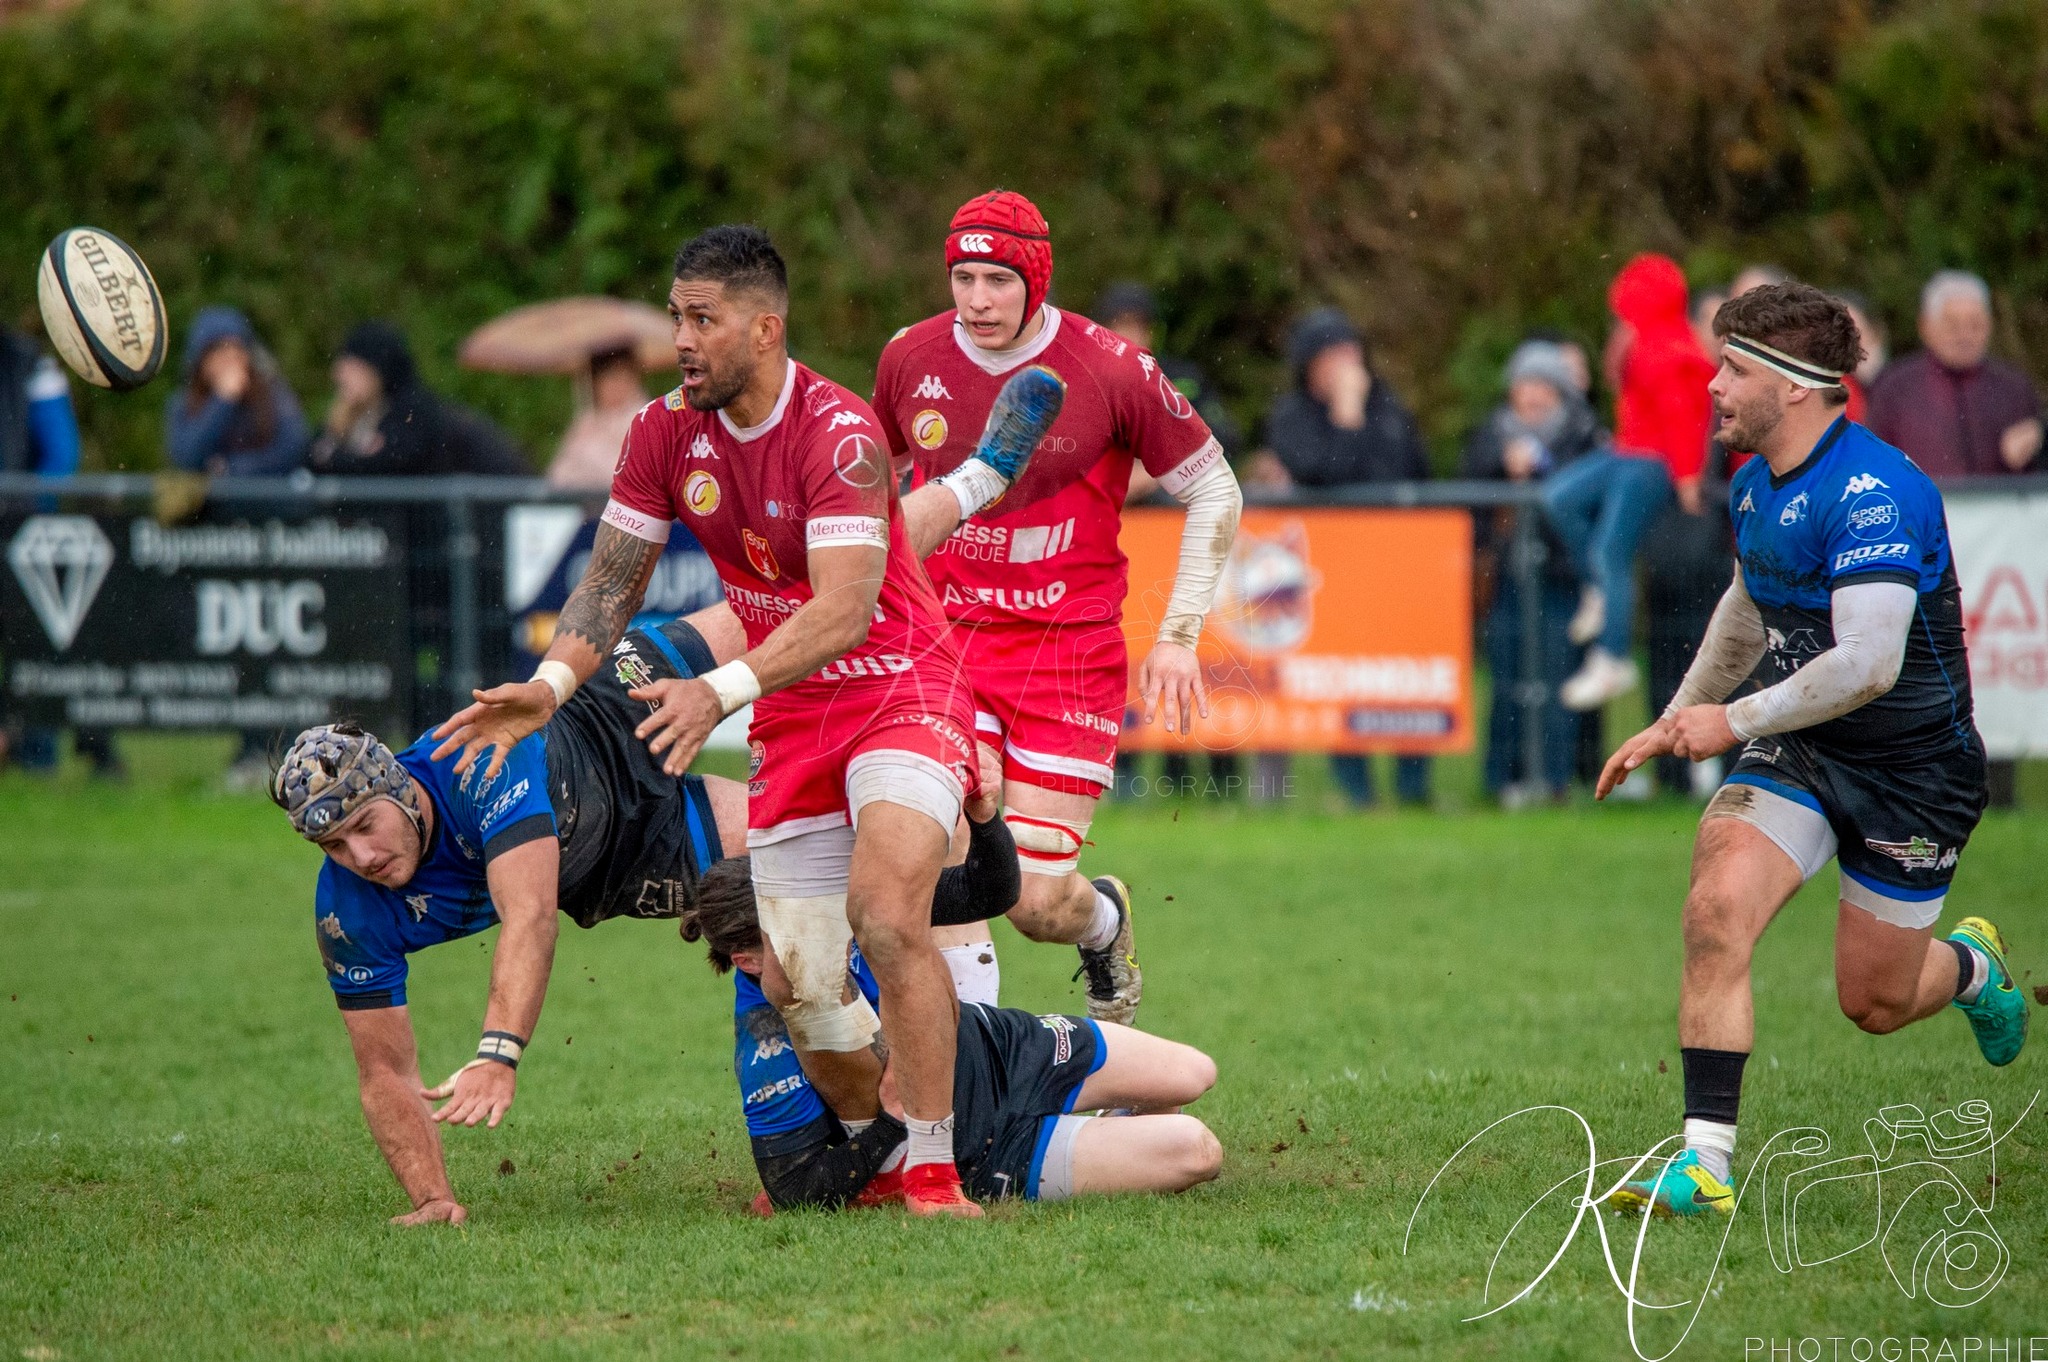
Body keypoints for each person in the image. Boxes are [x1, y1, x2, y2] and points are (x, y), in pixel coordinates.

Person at [433, 225, 989, 1217]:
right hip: (796, 714)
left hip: (901, 686)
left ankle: (941, 1169)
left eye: (702, 319)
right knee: (799, 980)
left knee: (887, 913)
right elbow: (607, 584)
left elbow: (845, 608)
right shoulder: (659, 435)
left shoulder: (842, 432)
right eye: (675, 317)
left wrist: (717, 690)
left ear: (763, 328)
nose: (681, 339)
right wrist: (552, 686)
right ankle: (889, 1148)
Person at [1596, 283, 2025, 1219]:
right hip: (1802, 752)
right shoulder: (1755, 482)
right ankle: (1705, 1167)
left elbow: (1869, 663)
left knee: (1871, 1003)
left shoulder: (1877, 494)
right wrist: (1679, 716)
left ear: (1796, 388)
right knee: (1715, 907)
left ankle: (1973, 970)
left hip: (1914, 772)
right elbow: (1750, 610)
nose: (1712, 386)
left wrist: (1733, 721)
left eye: (1734, 370)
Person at [869, 190, 1242, 1020]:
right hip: (946, 649)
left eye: (997, 280)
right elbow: (870, 491)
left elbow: (1216, 489)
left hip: (1065, 656)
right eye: (962, 277)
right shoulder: (911, 357)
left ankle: (1103, 922)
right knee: (936, 865)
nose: (976, 300)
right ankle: (960, 1087)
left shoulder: (1111, 367)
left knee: (1034, 904)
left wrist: (1179, 635)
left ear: (1035, 278)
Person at [269, 616, 746, 1226]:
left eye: (365, 826)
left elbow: (530, 918)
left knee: (769, 603)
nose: (360, 857)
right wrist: (432, 1198)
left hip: (602, 712)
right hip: (627, 858)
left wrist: (497, 1055)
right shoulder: (347, 910)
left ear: (401, 788)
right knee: (813, 864)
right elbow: (384, 1069)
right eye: (334, 846)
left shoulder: (477, 761)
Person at [681, 851, 1221, 1214]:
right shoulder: (766, 1039)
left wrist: (985, 820)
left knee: (1194, 1074)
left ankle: (1111, 1128)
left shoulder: (848, 906)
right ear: (749, 960)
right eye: (791, 930)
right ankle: (1088, 1142)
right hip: (989, 1147)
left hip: (1005, 1047)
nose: (819, 926)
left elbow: (987, 891)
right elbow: (792, 1187)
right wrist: (892, 1125)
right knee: (1197, 1151)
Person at [1258, 306, 1431, 806]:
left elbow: (1405, 470)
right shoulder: (1292, 417)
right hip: (1332, 573)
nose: (1346, 364)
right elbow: (1324, 472)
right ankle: (1358, 793)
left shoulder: (1391, 409)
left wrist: (1360, 414)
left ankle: (1413, 791)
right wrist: (1347, 414)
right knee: (1344, 679)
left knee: (1408, 682)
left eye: (1350, 352)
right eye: (1333, 354)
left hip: (1398, 568)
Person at [1093, 281, 1244, 803]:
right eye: (1120, 324)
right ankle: (1127, 771)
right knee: (1126, 653)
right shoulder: (1091, 384)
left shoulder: (1181, 381)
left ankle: (1214, 779)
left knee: (1204, 656)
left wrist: (1155, 472)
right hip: (1122, 542)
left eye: (1138, 324)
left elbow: (1221, 443)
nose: (1130, 334)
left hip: (1184, 541)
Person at [1550, 253, 1716, 711]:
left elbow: (1683, 421)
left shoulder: (1666, 350)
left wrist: (1686, 478)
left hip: (1651, 462)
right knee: (1559, 498)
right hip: (1628, 450)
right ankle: (1597, 592)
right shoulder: (1645, 340)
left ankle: (1613, 656)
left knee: (1611, 549)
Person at [1464, 339, 1608, 802]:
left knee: (1556, 676)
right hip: (1508, 575)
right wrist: (1500, 466)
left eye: (1544, 384)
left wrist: (1541, 468)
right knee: (1506, 675)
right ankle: (1500, 780)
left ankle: (1554, 780)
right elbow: (1470, 480)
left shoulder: (1583, 433)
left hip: (1562, 574)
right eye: (1525, 383)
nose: (1533, 394)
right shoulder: (1493, 433)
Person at [0, 324, 121, 778]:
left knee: (39, 647)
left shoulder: (29, 363)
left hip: (23, 536)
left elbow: (61, 457)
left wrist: (18, 506)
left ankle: (37, 757)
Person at [1868, 270, 2042, 477]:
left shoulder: (2013, 387)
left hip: (2000, 505)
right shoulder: (1895, 387)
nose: (1964, 336)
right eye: (1952, 326)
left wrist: (2037, 441)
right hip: (1920, 506)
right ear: (1925, 326)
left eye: (1975, 325)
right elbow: (1872, 462)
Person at [305, 321, 529, 477]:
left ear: (376, 370)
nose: (339, 374)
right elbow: (310, 457)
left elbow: (388, 465)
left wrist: (332, 457)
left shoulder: (415, 411)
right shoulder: (352, 414)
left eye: (352, 367)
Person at [163, 307, 308, 476]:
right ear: (201, 361)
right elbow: (186, 458)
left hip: (264, 498)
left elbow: (293, 449)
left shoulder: (272, 394)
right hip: (209, 501)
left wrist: (231, 469)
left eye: (237, 350)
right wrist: (222, 401)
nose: (231, 360)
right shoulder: (185, 403)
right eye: (220, 351)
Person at [547, 345, 649, 492]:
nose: (617, 386)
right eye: (610, 379)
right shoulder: (587, 421)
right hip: (584, 505)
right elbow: (558, 475)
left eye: (623, 378)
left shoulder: (645, 419)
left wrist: (589, 460)